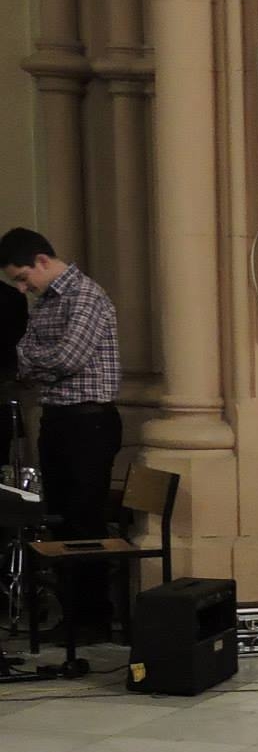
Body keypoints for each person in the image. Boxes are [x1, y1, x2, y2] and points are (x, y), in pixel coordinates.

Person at [2, 227, 121, 629]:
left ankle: (93, 617)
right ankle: (72, 615)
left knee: (85, 518)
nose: (23, 289)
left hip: (89, 422)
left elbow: (69, 357)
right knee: (59, 518)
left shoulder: (86, 295)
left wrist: (39, 364)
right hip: (56, 419)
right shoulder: (45, 303)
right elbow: (24, 352)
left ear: (42, 260)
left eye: (23, 278)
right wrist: (41, 363)